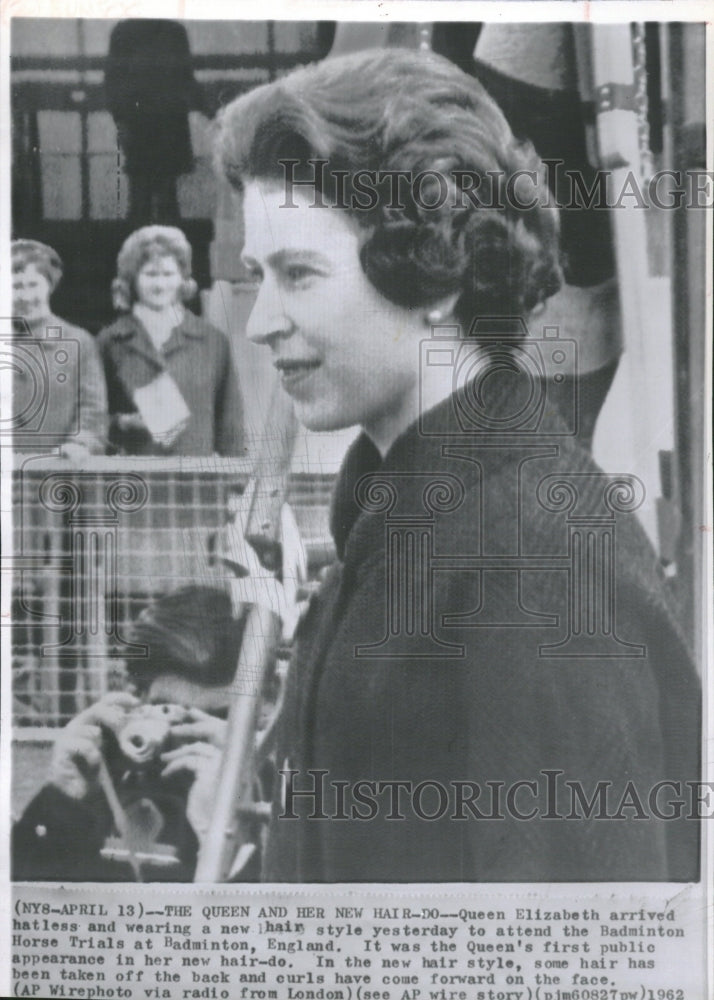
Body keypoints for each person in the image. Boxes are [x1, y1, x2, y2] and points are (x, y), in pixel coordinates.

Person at [211, 48, 700, 882]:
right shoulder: (413, 527)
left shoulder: (532, 558)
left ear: (430, 264)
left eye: (299, 274)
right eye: (261, 275)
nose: (259, 321)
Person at [11, 586, 244, 882]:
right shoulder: (100, 778)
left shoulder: (273, 788)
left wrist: (227, 827)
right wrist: (63, 803)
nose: (195, 738)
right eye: (172, 713)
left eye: (220, 718)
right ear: (134, 697)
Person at [98, 226, 245, 457]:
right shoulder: (111, 342)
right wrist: (122, 422)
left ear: (182, 279)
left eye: (168, 274)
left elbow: (230, 422)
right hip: (132, 482)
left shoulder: (212, 341)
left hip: (196, 481)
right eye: (150, 275)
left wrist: (236, 482)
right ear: (132, 280)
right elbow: (92, 419)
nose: (159, 285)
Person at [11, 240, 107, 457]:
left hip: (58, 472)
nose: (25, 296)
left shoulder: (79, 342)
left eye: (33, 285)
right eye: (15, 286)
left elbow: (93, 410)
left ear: (49, 285)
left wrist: (81, 444)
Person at [105, 19, 203, 223]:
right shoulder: (173, 31)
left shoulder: (126, 30)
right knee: (161, 196)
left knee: (145, 197)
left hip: (144, 121)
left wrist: (121, 119)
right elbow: (186, 79)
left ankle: (140, 241)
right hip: (163, 122)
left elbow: (113, 81)